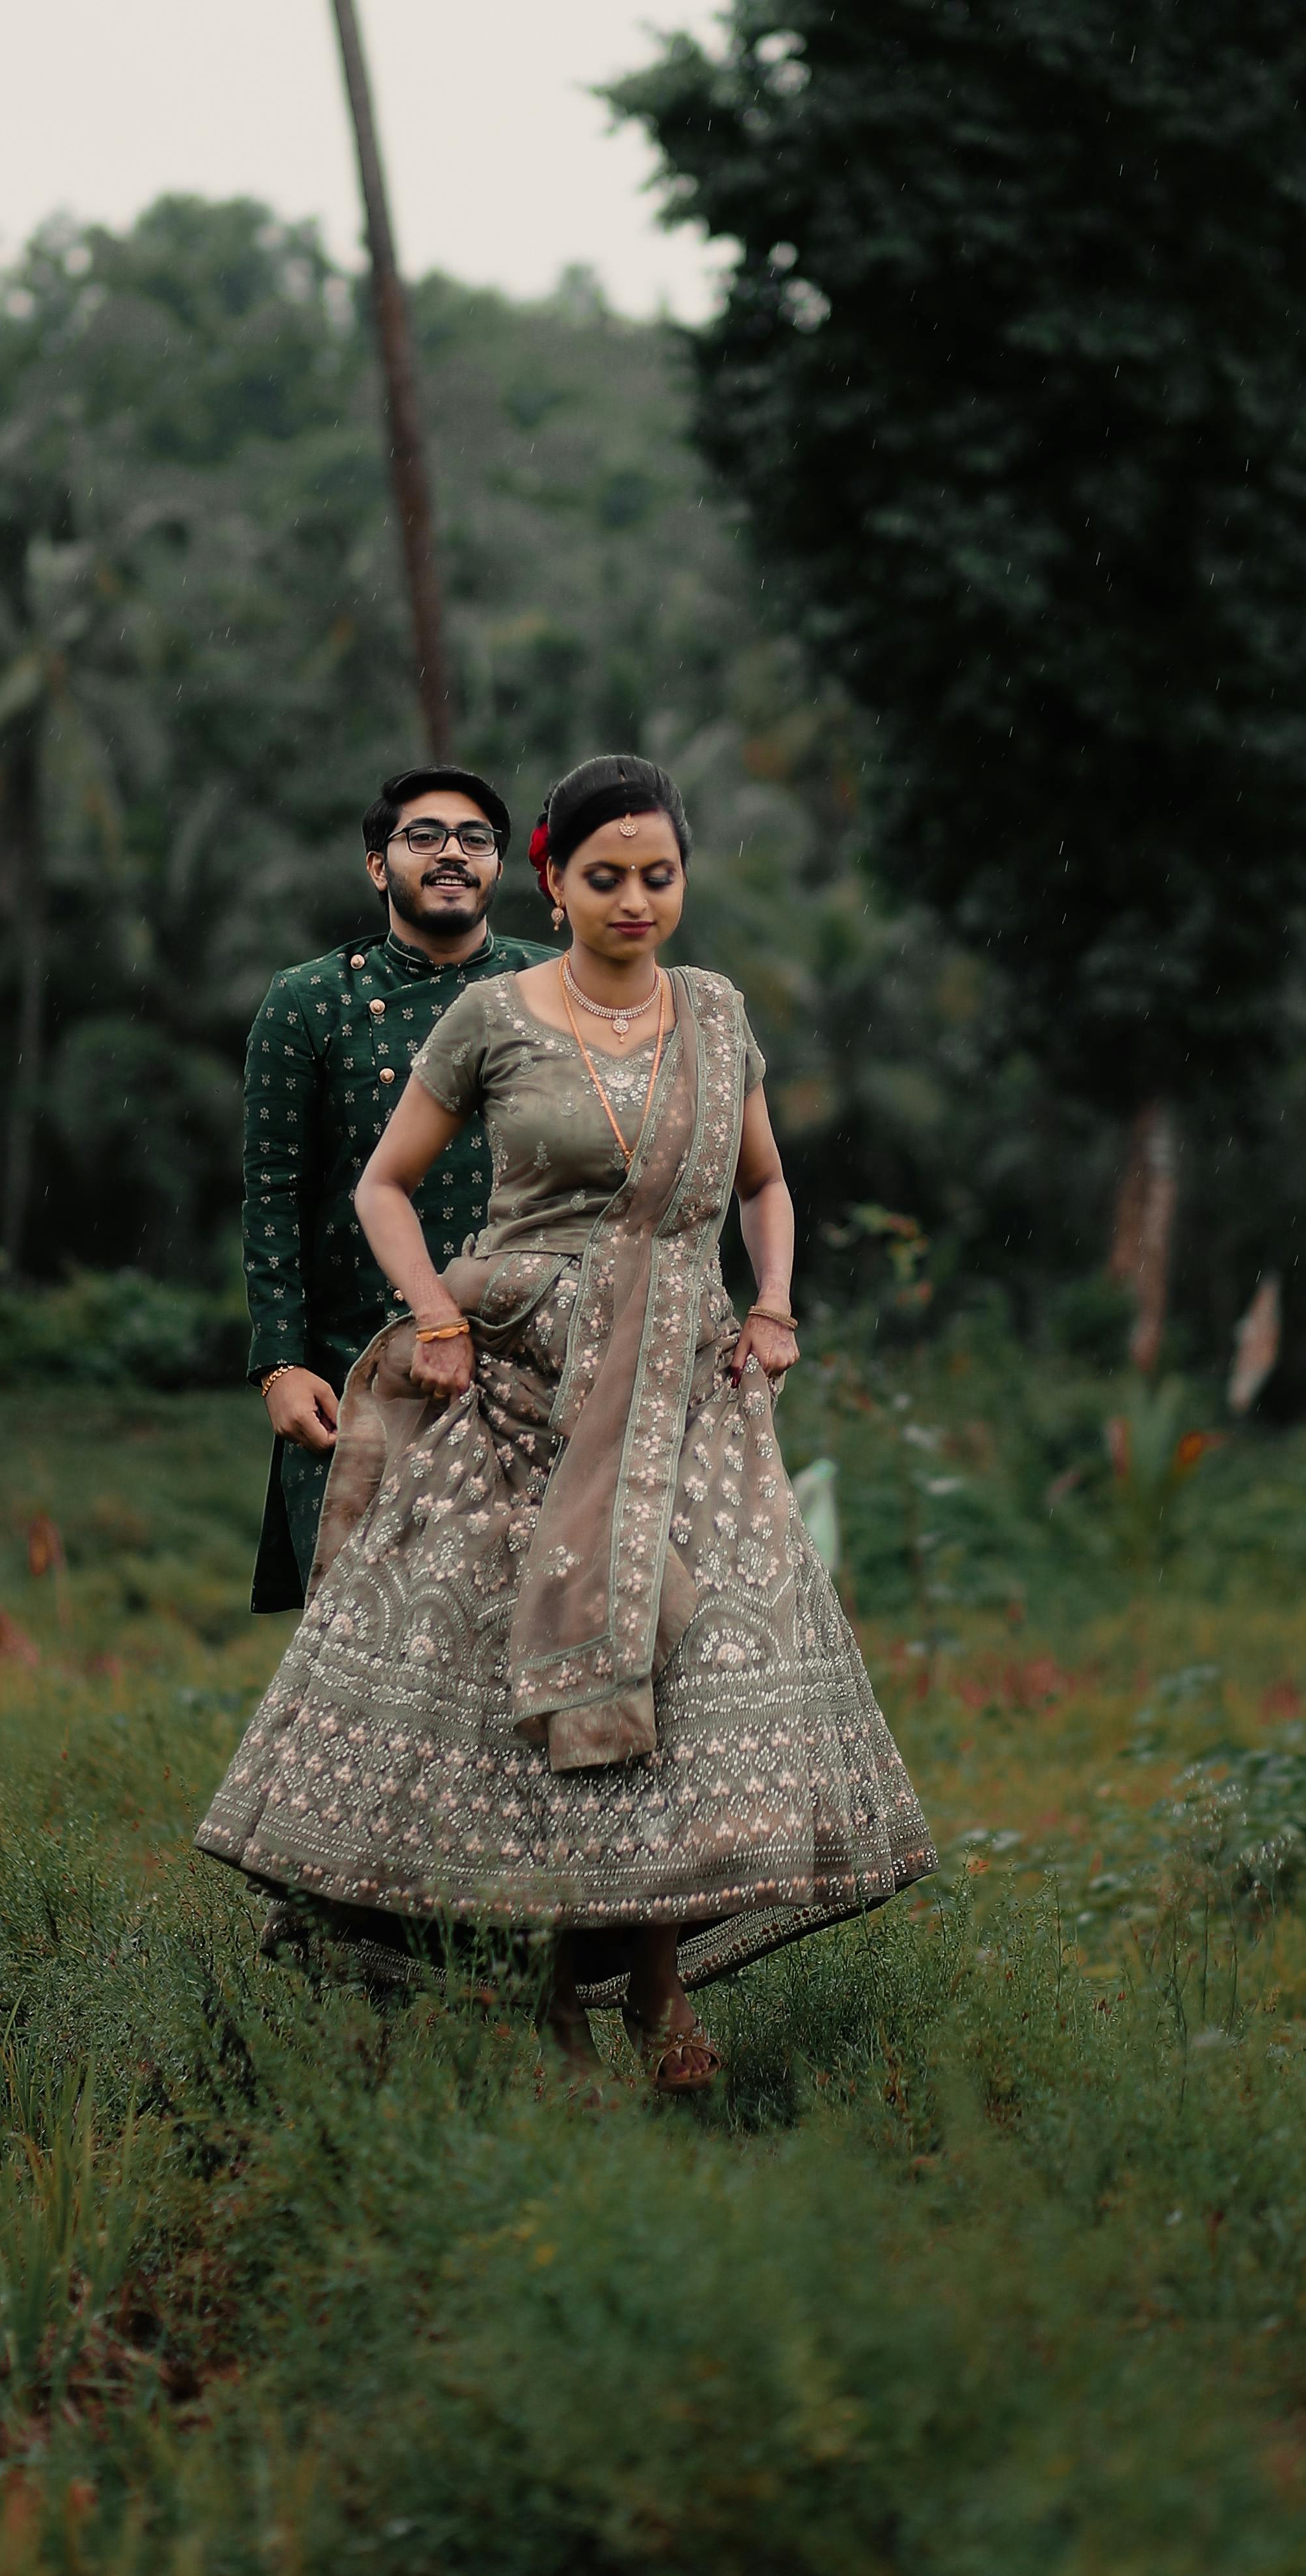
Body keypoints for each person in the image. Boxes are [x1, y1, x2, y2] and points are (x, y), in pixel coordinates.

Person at [197, 751, 934, 2093]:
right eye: (605, 876)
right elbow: (374, 1187)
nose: (637, 898)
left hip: (689, 1402)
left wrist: (771, 1302)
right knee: (537, 1693)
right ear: (554, 879)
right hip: (519, 1388)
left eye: (659, 874)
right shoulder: (491, 1014)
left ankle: (657, 1998)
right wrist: (425, 1312)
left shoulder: (714, 1015)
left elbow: (765, 1181)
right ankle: (549, 1995)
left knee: (675, 1690)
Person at [242, 766, 527, 1611]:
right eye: (424, 835)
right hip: (358, 1364)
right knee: (363, 1645)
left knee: (519, 1642)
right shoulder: (308, 1002)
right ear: (378, 866)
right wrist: (281, 1363)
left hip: (535, 1363)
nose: (451, 853)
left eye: (474, 838)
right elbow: (273, 1192)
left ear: (498, 867)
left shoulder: (554, 989)